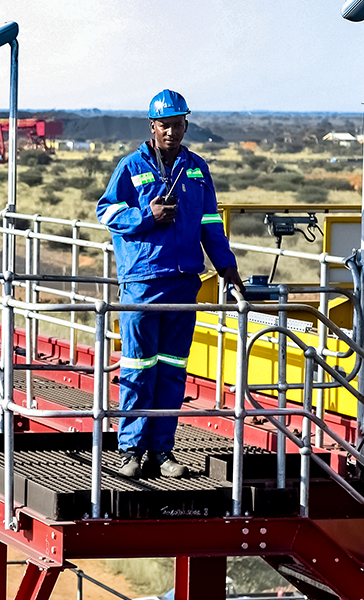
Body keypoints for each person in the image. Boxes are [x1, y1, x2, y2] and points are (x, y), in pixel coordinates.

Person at [95, 89, 244, 478]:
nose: (171, 132)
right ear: (152, 126)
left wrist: (226, 265)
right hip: (143, 282)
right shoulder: (131, 167)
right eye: (165, 125)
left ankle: (162, 451)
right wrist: (147, 216)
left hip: (183, 283)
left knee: (172, 370)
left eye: (178, 125)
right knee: (138, 369)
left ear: (185, 126)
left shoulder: (196, 169)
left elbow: (209, 222)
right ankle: (131, 451)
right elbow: (106, 211)